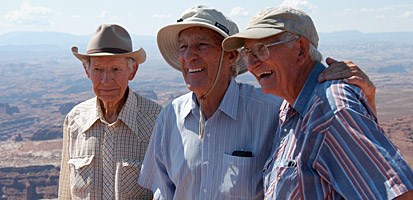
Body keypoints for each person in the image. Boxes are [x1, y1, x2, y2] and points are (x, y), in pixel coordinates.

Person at [138, 5, 377, 199]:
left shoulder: (277, 111)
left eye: (201, 45)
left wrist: (367, 100)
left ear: (231, 56)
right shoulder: (169, 116)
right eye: (183, 47)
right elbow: (163, 193)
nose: (190, 55)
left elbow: (363, 169)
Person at [222, 6, 413, 199]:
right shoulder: (292, 108)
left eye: (261, 50)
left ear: (301, 50)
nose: (252, 63)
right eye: (248, 53)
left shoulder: (331, 111)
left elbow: (399, 196)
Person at [58, 24, 162, 199]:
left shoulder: (158, 120)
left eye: (115, 69)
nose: (106, 80)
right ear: (87, 71)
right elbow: (65, 193)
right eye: (98, 69)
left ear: (132, 71)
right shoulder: (74, 120)